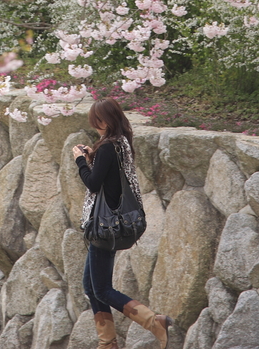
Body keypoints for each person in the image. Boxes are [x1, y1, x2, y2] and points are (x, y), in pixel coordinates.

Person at [73, 98, 172, 349]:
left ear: (105, 120)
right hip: (114, 224)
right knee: (91, 286)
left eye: (97, 121)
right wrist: (91, 156)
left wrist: (80, 161)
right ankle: (107, 342)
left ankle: (153, 322)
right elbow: (110, 177)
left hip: (104, 226)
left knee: (102, 289)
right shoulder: (122, 143)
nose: (95, 126)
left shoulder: (108, 147)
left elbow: (93, 184)